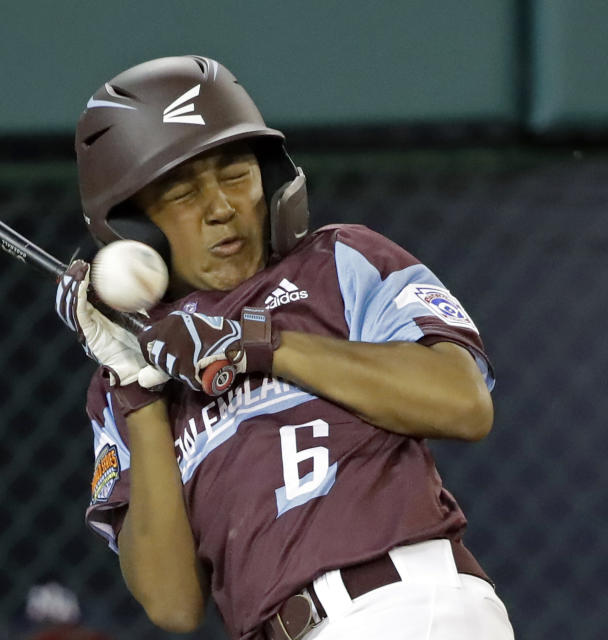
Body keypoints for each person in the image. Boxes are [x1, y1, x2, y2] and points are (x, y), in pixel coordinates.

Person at [55, 56, 515, 640]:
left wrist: (258, 343)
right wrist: (136, 393)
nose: (221, 207)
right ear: (135, 229)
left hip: (402, 607)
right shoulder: (130, 369)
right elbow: (172, 603)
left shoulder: (338, 260)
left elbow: (462, 403)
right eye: (182, 193)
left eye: (235, 175)